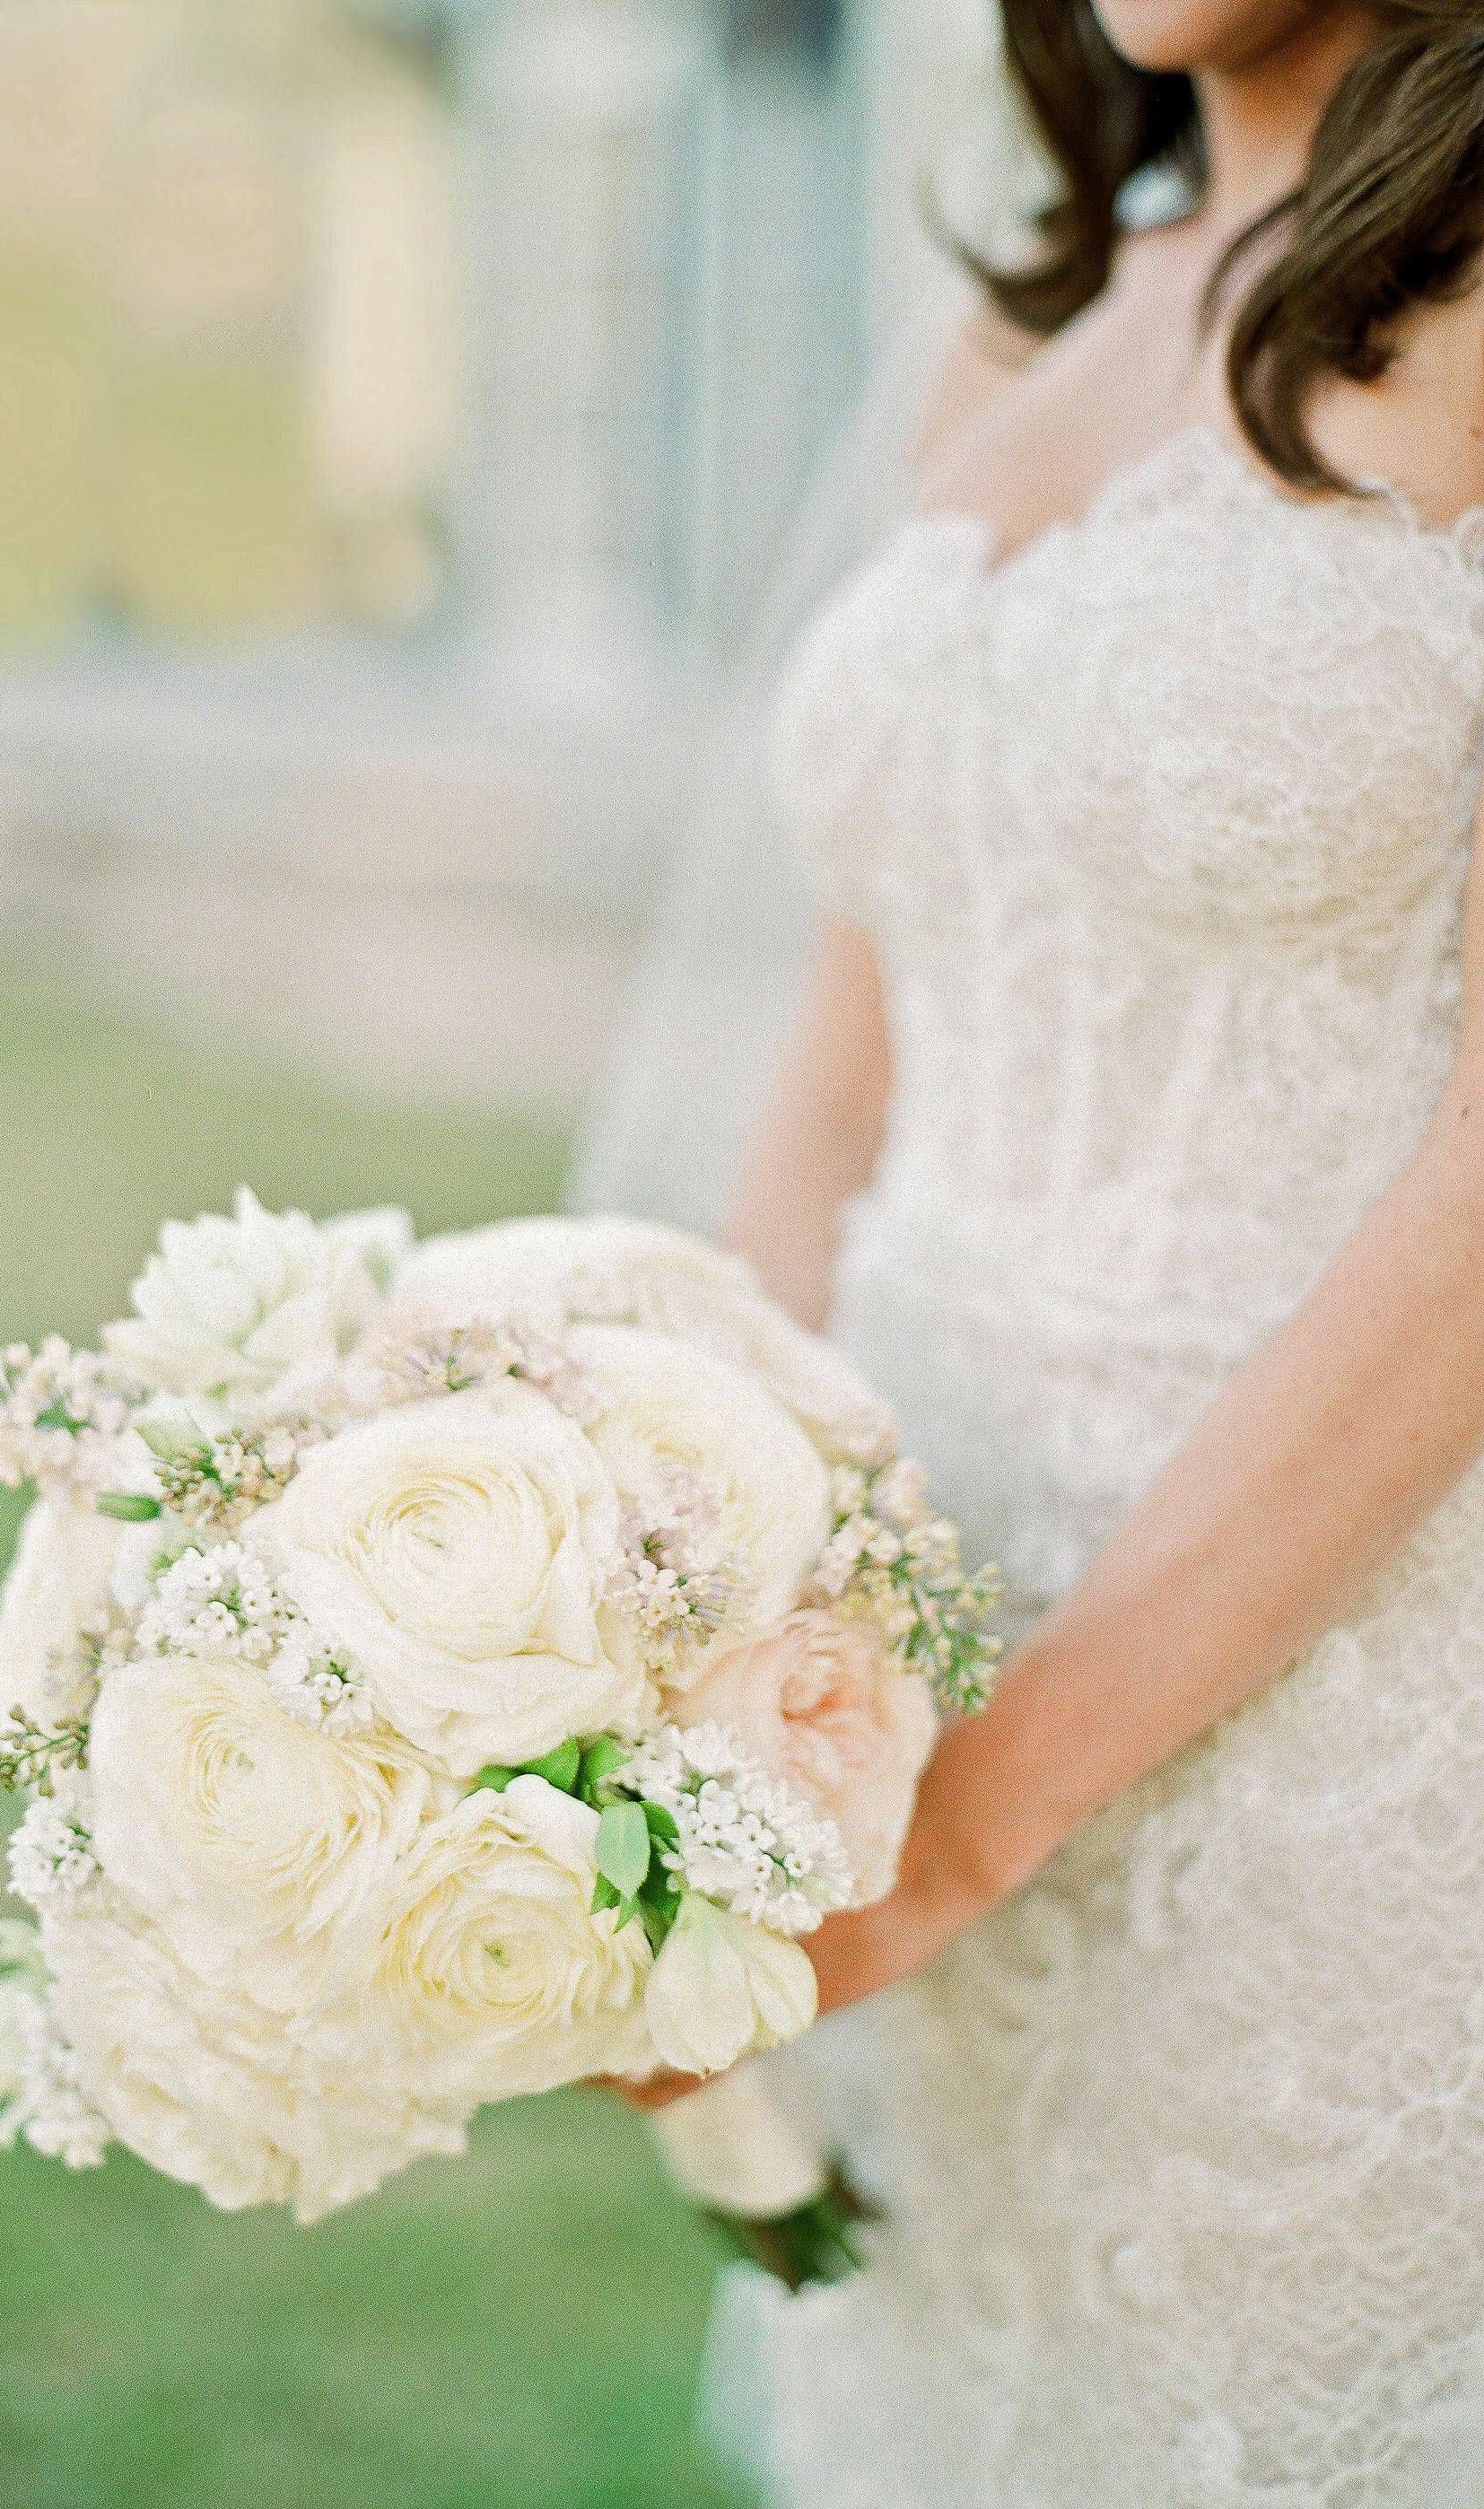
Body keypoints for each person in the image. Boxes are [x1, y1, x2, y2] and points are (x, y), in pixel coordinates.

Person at [623, 4, 1484, 2497]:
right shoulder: (1025, 319)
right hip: (899, 1674)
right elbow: (839, 1069)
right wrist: (649, 1575)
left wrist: (981, 1819)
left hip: (1337, 1769)